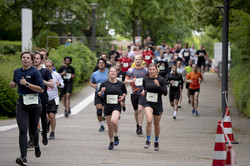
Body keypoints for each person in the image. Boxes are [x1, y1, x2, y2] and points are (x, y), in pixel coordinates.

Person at [10, 52, 44, 166]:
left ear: (32, 60)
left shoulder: (35, 72)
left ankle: (37, 145)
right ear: (21, 59)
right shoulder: (17, 71)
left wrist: (27, 84)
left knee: (33, 130)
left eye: (28, 58)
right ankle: (23, 157)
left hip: (34, 104)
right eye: (23, 57)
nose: (25, 59)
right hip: (21, 104)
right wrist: (13, 84)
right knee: (23, 130)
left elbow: (41, 89)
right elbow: (15, 81)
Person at [98, 67, 127, 150]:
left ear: (116, 73)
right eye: (111, 71)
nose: (113, 73)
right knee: (110, 127)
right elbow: (99, 94)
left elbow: (125, 93)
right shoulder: (104, 83)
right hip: (107, 106)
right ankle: (111, 142)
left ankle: (116, 136)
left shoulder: (121, 84)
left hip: (116, 105)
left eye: (114, 71)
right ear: (108, 73)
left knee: (114, 120)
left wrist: (122, 97)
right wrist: (101, 92)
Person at [141, 63, 167, 151]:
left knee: (156, 124)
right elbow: (144, 88)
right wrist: (143, 92)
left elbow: (165, 93)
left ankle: (156, 141)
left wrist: (158, 86)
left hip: (158, 104)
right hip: (148, 103)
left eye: (153, 69)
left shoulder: (162, 79)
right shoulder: (145, 79)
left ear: (156, 70)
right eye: (150, 69)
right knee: (149, 120)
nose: (151, 71)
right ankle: (148, 140)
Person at [33, 52, 54, 146]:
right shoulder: (29, 71)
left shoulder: (45, 72)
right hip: (31, 98)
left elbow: (52, 84)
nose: (36, 60)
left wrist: (42, 81)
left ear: (41, 60)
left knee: (43, 118)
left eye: (38, 58)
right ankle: (32, 139)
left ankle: (44, 134)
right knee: (32, 120)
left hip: (42, 98)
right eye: (34, 58)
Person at [125, 55, 148, 135]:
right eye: (136, 59)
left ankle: (140, 127)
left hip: (142, 93)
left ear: (142, 60)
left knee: (140, 109)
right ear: (134, 60)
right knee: (135, 111)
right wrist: (132, 80)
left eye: (139, 59)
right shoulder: (130, 70)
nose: (137, 61)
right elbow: (125, 81)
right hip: (134, 93)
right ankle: (137, 125)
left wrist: (145, 90)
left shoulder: (145, 70)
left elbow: (148, 81)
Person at [45, 60, 64, 140]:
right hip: (44, 98)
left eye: (50, 66)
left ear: (53, 67)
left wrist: (59, 84)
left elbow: (62, 84)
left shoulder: (56, 75)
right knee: (46, 116)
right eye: (47, 66)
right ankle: (47, 123)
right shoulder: (42, 74)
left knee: (52, 116)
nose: (48, 68)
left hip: (54, 98)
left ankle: (52, 132)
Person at [89, 58, 109, 132]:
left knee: (106, 111)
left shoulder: (108, 72)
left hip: (107, 94)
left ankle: (110, 124)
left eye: (102, 63)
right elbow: (90, 82)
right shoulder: (94, 74)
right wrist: (93, 85)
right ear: (98, 64)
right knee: (99, 111)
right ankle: (101, 125)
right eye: (99, 63)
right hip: (98, 94)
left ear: (105, 64)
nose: (101, 64)